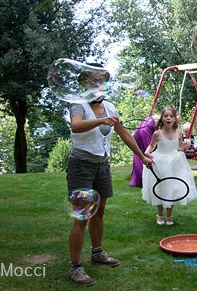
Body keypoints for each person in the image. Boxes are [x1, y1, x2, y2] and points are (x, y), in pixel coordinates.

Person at [66, 63, 153, 286]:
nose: (99, 85)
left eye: (102, 81)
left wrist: (143, 157)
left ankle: (97, 253)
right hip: (81, 166)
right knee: (81, 217)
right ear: (84, 84)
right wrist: (101, 121)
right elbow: (76, 126)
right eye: (95, 81)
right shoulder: (78, 104)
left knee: (99, 213)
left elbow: (124, 133)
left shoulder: (111, 107)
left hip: (102, 166)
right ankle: (75, 267)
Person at [141, 107, 197, 225]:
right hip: (160, 161)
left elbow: (179, 146)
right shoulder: (157, 133)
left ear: (174, 119)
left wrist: (186, 144)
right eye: (166, 116)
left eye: (171, 116)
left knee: (172, 187)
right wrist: (147, 152)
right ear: (162, 118)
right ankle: (160, 215)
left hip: (174, 162)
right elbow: (151, 146)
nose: (168, 118)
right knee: (160, 187)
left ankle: (169, 216)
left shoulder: (179, 132)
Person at [129, 114, 158, 187]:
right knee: (149, 154)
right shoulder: (163, 120)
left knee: (138, 154)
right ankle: (147, 179)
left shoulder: (155, 118)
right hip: (145, 133)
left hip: (138, 132)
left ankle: (137, 177)